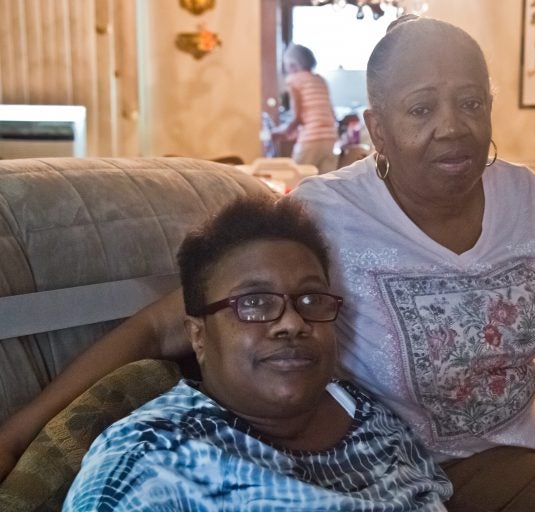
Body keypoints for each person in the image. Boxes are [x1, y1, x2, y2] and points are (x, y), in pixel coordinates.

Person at [0, 15, 535, 512]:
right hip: (413, 476)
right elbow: (168, 324)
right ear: (376, 127)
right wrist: (16, 435)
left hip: (534, 451)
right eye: (422, 108)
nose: (452, 128)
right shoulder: (326, 213)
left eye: (472, 102)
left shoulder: (526, 200)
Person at [62, 197, 451, 511]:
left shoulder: (372, 418)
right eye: (255, 303)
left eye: (311, 298)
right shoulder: (152, 463)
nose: (292, 323)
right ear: (198, 335)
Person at [271, 44, 339, 173]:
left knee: (297, 177)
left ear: (292, 64)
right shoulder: (320, 80)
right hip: (330, 136)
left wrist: (282, 132)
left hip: (311, 138)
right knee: (325, 182)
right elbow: (329, 112)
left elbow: (297, 116)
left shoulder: (294, 80)